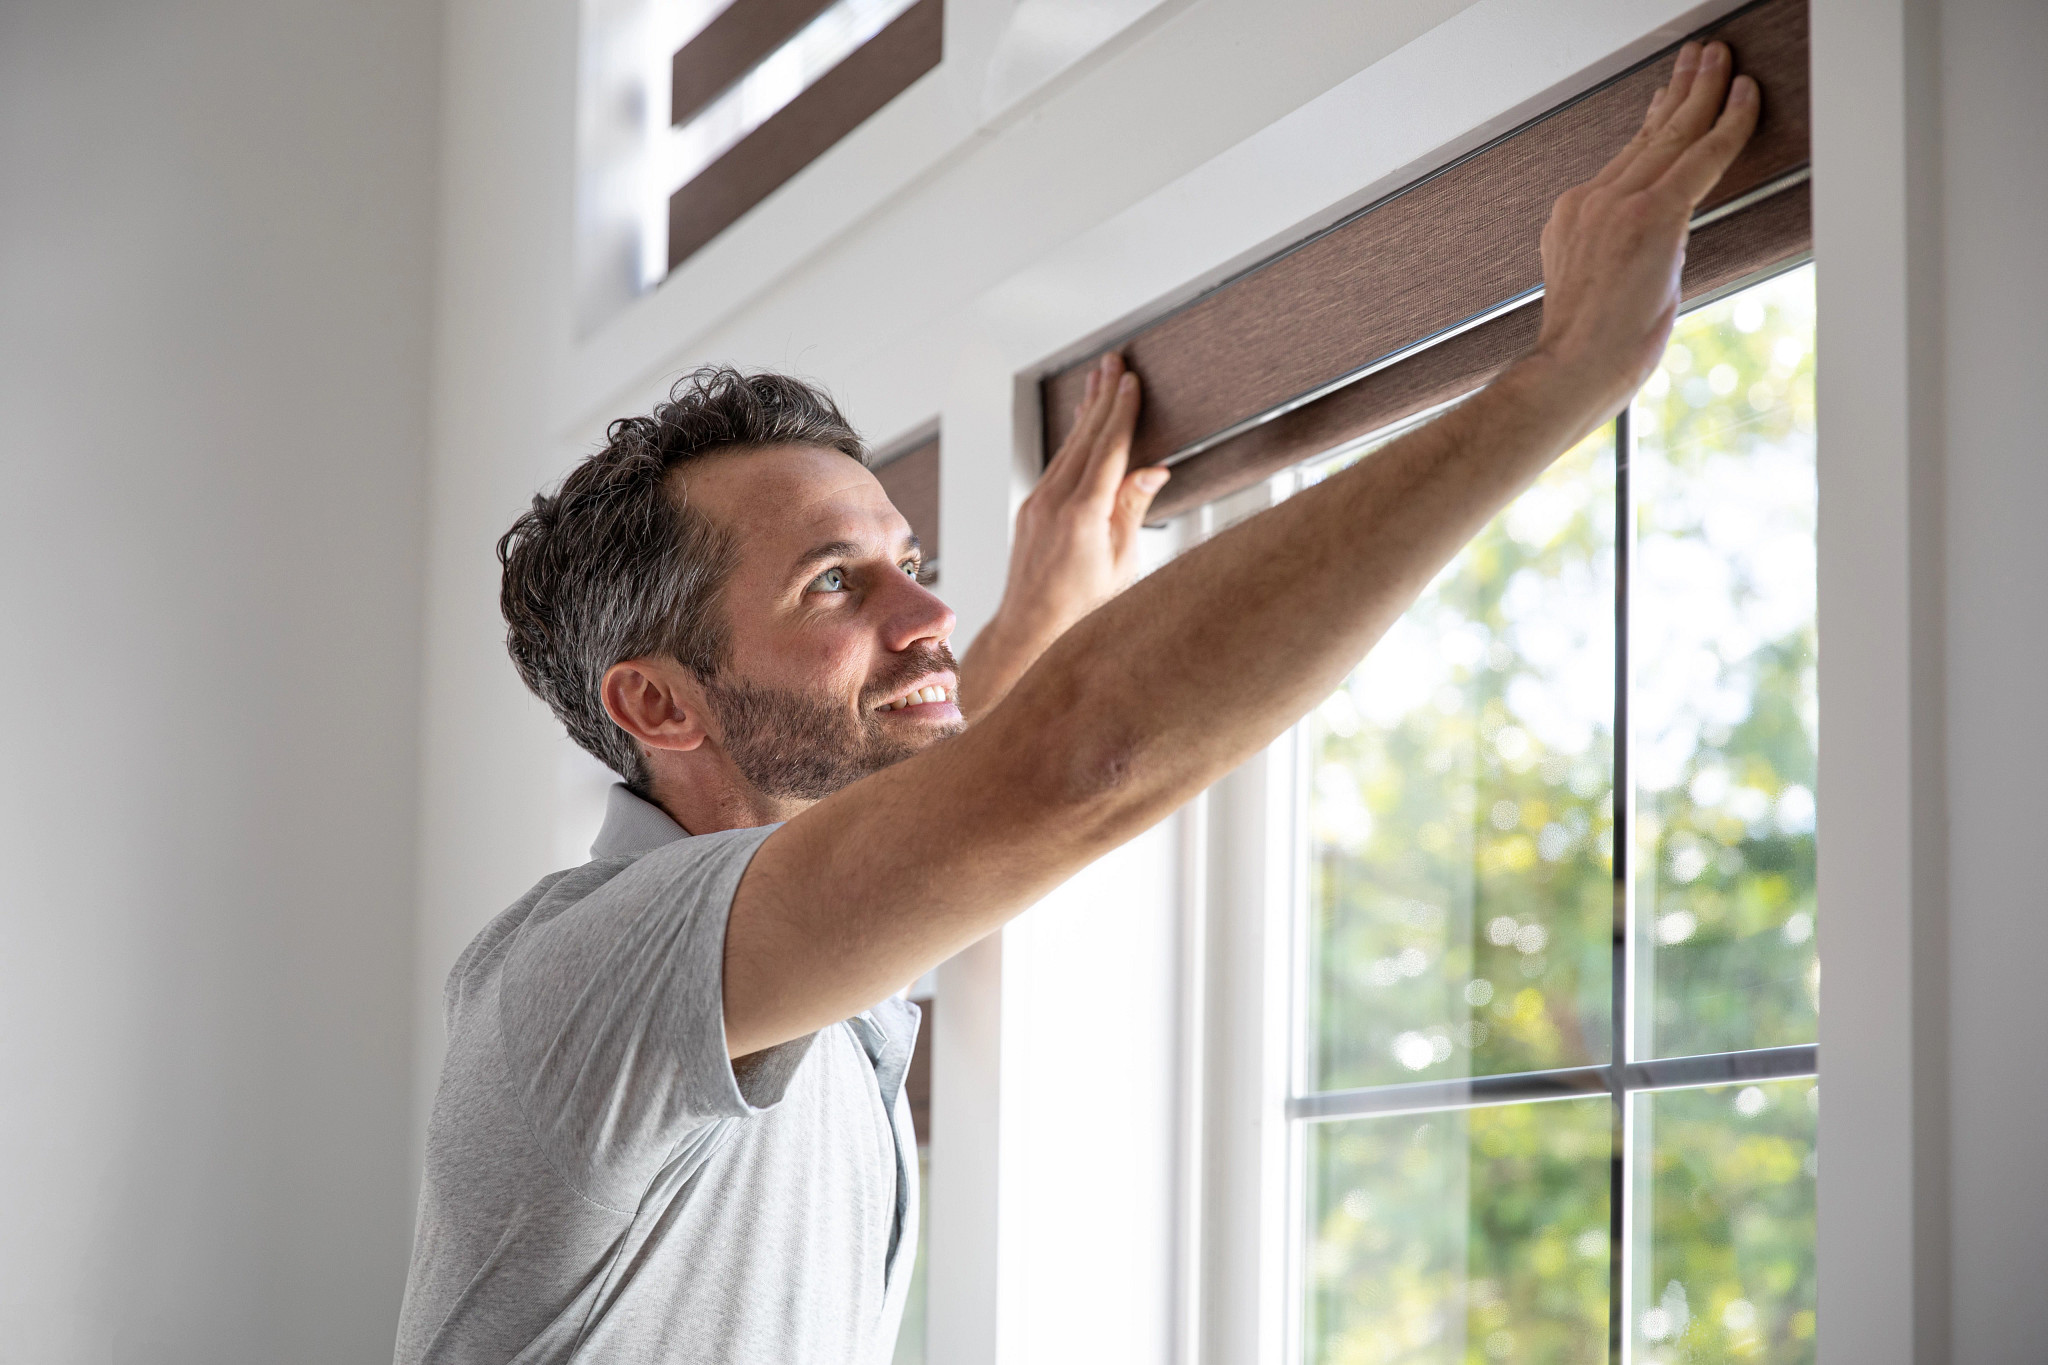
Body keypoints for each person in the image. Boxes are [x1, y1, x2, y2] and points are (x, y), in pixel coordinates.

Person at [394, 41, 1759, 1365]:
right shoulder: (592, 973)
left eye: (909, 567)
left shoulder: (793, 954)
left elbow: (916, 809)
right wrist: (1557, 376)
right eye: (832, 584)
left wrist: (1022, 628)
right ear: (660, 704)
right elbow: (1067, 768)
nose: (922, 614)